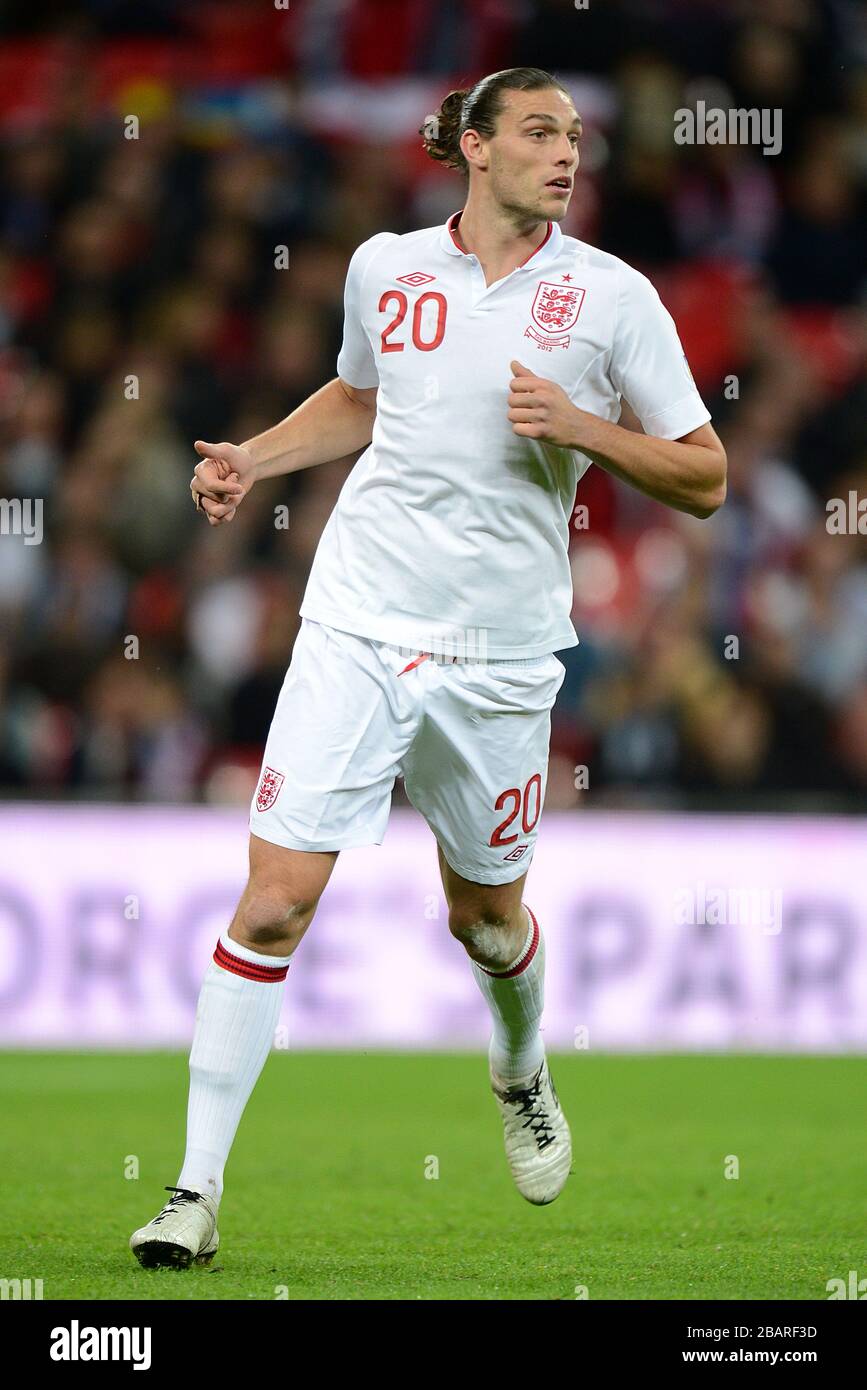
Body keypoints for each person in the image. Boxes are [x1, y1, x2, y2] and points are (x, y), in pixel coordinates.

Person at [130, 66, 726, 1268]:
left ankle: (519, 1067)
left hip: (503, 653)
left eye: (577, 137)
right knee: (277, 898)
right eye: (542, 132)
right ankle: (192, 1191)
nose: (568, 154)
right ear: (473, 145)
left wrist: (586, 430)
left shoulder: (613, 299)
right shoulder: (384, 266)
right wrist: (255, 456)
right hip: (357, 618)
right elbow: (363, 397)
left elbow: (703, 474)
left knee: (489, 921)